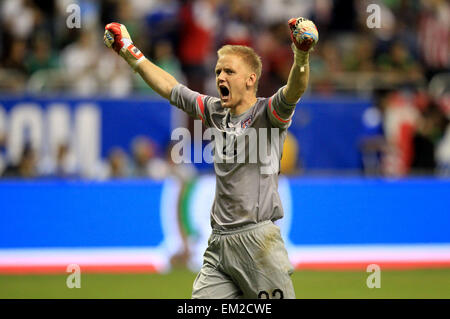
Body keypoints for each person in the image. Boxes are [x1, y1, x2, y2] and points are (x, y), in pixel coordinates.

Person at [103, 16, 318, 299]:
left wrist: (301, 54)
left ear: (250, 79)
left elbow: (295, 88)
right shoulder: (215, 112)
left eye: (229, 71)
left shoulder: (269, 114)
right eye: (218, 72)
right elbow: (170, 88)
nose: (220, 78)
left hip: (259, 242)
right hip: (219, 245)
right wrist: (130, 51)